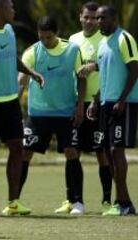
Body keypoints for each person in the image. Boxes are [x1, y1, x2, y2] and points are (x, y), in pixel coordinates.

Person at [0, 0, 44, 216]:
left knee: (17, 149)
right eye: (10, 7)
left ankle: (13, 202)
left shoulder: (8, 30)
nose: (14, 10)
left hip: (10, 104)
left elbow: (12, 58)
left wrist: (30, 72)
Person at [19, 16, 86, 215]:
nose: (45, 41)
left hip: (65, 112)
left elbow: (82, 79)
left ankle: (78, 203)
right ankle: (14, 201)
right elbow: (21, 80)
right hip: (38, 114)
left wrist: (80, 106)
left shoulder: (72, 50)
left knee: (72, 153)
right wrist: (15, 103)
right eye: (41, 37)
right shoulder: (32, 52)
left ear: (56, 33)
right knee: (25, 153)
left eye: (48, 37)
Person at [88, 5, 138, 216]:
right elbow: (106, 75)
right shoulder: (102, 43)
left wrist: (122, 99)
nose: (99, 22)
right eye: (97, 18)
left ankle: (123, 203)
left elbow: (135, 69)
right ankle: (123, 202)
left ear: (114, 18)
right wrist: (95, 101)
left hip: (123, 104)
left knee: (117, 150)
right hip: (105, 104)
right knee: (107, 152)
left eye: (103, 18)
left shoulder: (124, 39)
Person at [69, 2, 112, 212]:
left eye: (94, 18)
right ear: (80, 17)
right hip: (77, 103)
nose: (90, 21)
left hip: (99, 102)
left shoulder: (105, 40)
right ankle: (76, 201)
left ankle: (106, 201)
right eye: (86, 17)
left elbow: (111, 70)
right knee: (73, 151)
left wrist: (97, 97)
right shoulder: (73, 40)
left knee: (101, 152)